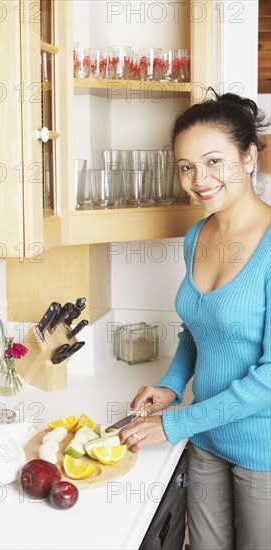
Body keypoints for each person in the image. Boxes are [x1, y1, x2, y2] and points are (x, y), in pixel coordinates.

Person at [120, 90, 271, 550]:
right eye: (186, 167)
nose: (199, 179)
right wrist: (169, 385)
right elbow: (198, 329)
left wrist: (173, 424)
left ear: (248, 157)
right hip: (205, 438)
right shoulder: (196, 236)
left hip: (261, 451)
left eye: (214, 161)